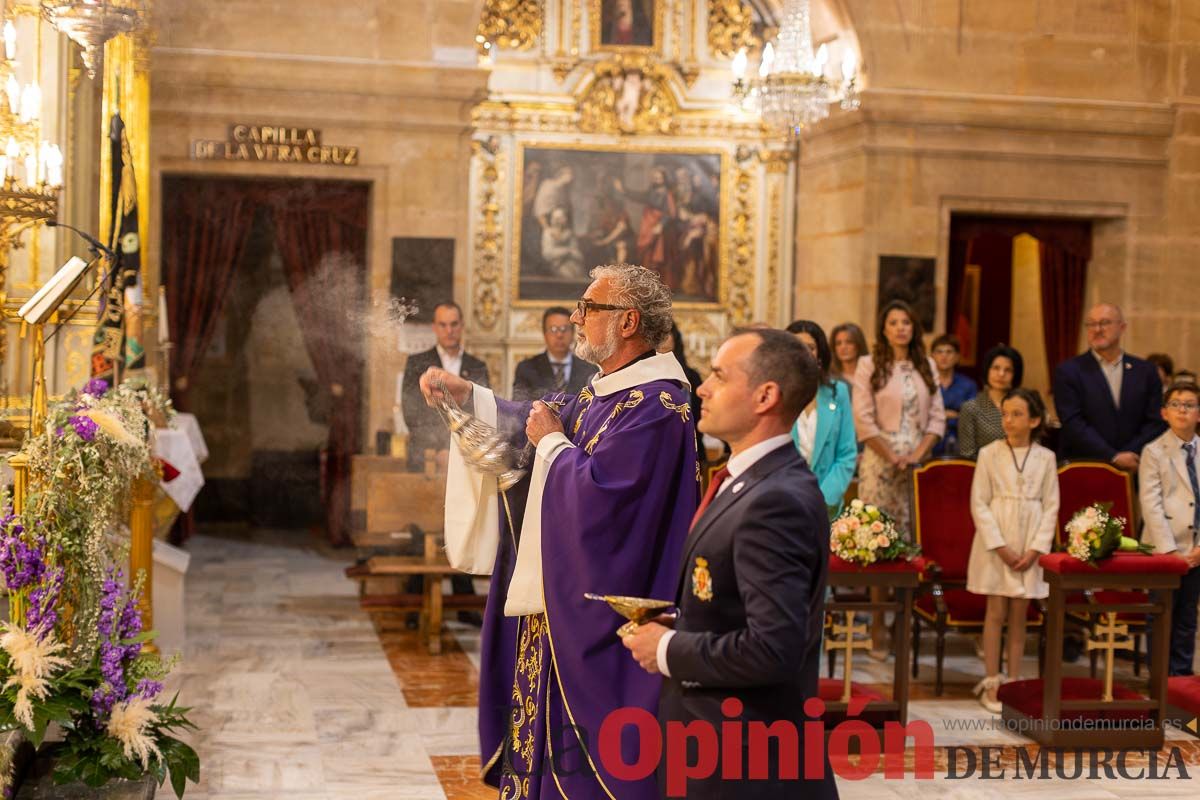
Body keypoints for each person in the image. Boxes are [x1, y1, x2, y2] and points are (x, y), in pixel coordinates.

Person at [419, 263, 699, 799]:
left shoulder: (660, 405)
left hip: (607, 609)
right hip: (559, 602)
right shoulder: (606, 392)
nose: (576, 318)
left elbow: (604, 501)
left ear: (627, 321)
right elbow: (538, 415)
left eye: (588, 308)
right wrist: (467, 393)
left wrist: (550, 445)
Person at [622, 329, 838, 799]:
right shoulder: (749, 481)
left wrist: (667, 649)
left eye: (719, 375)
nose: (702, 387)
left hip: (745, 761)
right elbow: (733, 599)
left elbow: (773, 648)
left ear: (765, 396)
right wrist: (683, 619)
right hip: (712, 747)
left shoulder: (775, 499)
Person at [852, 300, 944, 657]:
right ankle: (877, 625)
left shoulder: (927, 366)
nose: (901, 328)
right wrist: (891, 456)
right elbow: (863, 417)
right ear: (884, 329)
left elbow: (936, 418)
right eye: (894, 322)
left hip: (917, 466)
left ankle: (903, 623)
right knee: (878, 541)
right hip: (880, 460)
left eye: (906, 322)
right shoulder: (869, 364)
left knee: (907, 544)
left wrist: (916, 456)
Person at [966, 388, 1059, 712]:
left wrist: (1035, 549)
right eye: (1005, 414)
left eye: (1017, 414)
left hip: (1029, 541)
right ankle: (992, 680)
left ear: (1034, 420)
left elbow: (1051, 506)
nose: (1008, 420)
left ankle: (1015, 680)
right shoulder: (989, 453)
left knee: (1020, 614)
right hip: (997, 543)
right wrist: (1000, 546)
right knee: (996, 612)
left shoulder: (1046, 458)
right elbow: (979, 502)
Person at [1052, 303, 1165, 470]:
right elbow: (1072, 422)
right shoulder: (1068, 371)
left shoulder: (1146, 371)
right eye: (1091, 324)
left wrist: (1130, 453)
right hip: (1085, 466)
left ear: (1122, 327)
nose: (1097, 329)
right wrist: (1112, 456)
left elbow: (1156, 421)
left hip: (1136, 466)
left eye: (1105, 323)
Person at [1139, 381, 1200, 676]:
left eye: (1189, 405)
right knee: (1162, 615)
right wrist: (1171, 552)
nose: (1182, 411)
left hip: (1196, 550)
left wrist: (1198, 550)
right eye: (1176, 404)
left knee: (1188, 618)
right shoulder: (1154, 452)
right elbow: (1151, 507)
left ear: (1198, 414)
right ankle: (1160, 680)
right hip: (1165, 551)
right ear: (1164, 412)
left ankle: (1182, 679)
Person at [400, 301, 490, 472]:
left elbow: (481, 409)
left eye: (454, 324)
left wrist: (456, 451)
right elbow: (410, 412)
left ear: (462, 325)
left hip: (468, 458)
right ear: (434, 327)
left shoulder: (478, 366)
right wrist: (438, 449)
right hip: (425, 456)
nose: (449, 331)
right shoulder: (416, 363)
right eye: (443, 325)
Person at [786, 320, 858, 516]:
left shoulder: (837, 392)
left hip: (827, 505)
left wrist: (821, 499)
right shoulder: (776, 393)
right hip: (784, 502)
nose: (803, 353)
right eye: (796, 346)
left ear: (819, 355)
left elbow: (847, 454)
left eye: (810, 347)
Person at [512, 306, 600, 401]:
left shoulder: (589, 370)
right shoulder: (527, 368)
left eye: (564, 329)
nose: (559, 335)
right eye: (553, 329)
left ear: (573, 332)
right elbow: (519, 407)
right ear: (544, 334)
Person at [958, 345, 1023, 459]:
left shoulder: (1024, 407)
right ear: (987, 370)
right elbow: (967, 455)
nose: (1001, 374)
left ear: (1015, 375)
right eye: (996, 368)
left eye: (1008, 370)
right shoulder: (971, 408)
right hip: (984, 472)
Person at [663, 322, 705, 462]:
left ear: (675, 337)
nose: (663, 339)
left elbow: (698, 416)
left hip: (689, 448)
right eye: (659, 334)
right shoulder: (641, 374)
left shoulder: (692, 376)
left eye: (667, 333)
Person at [931, 334, 977, 456]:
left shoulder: (969, 385)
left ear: (957, 357)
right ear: (932, 356)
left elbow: (972, 419)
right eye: (939, 352)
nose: (944, 356)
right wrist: (952, 415)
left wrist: (941, 416)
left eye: (949, 352)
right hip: (930, 443)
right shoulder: (925, 383)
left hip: (960, 443)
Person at [830, 322, 868, 387]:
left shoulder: (870, 374)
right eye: (838, 343)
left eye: (849, 342)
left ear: (859, 344)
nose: (843, 347)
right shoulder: (830, 379)